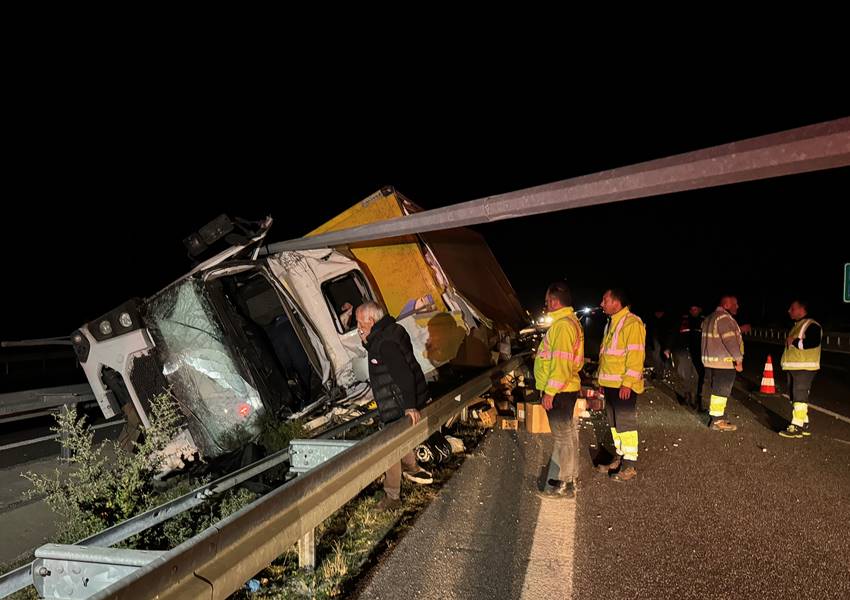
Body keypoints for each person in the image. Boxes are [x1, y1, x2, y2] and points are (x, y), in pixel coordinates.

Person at [356, 301, 433, 510]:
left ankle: (392, 497)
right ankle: (411, 467)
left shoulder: (385, 344)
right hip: (398, 399)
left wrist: (409, 406)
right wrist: (366, 341)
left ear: (371, 321)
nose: (358, 327)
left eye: (360, 323)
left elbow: (403, 373)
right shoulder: (390, 330)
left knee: (390, 447)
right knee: (399, 441)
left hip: (397, 402)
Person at [534, 282, 585, 499]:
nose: (545, 304)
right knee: (568, 435)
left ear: (555, 301)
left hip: (560, 391)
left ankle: (564, 485)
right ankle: (570, 479)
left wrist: (550, 392)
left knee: (563, 438)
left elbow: (560, 364)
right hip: (567, 388)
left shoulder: (562, 326)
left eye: (547, 300)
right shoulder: (569, 322)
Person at [596, 288, 646, 482]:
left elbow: (635, 356)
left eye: (605, 300)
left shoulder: (632, 323)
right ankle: (620, 457)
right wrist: (601, 380)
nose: (602, 304)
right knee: (615, 424)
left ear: (616, 303)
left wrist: (627, 383)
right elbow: (606, 356)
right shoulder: (611, 323)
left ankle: (630, 465)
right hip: (610, 383)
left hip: (623, 385)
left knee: (625, 424)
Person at [778, 299, 821, 438]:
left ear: (802, 309)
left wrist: (794, 341)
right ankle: (804, 423)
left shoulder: (812, 325)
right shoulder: (798, 325)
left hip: (804, 367)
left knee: (799, 396)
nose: (789, 311)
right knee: (794, 396)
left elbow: (813, 342)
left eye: (792, 308)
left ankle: (796, 426)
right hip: (795, 367)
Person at [700, 295, 744, 431]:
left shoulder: (710, 318)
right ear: (726, 305)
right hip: (723, 363)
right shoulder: (724, 318)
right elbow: (729, 340)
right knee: (721, 391)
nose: (737, 306)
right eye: (735, 304)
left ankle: (715, 416)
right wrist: (738, 360)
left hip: (711, 362)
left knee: (716, 390)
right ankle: (717, 421)